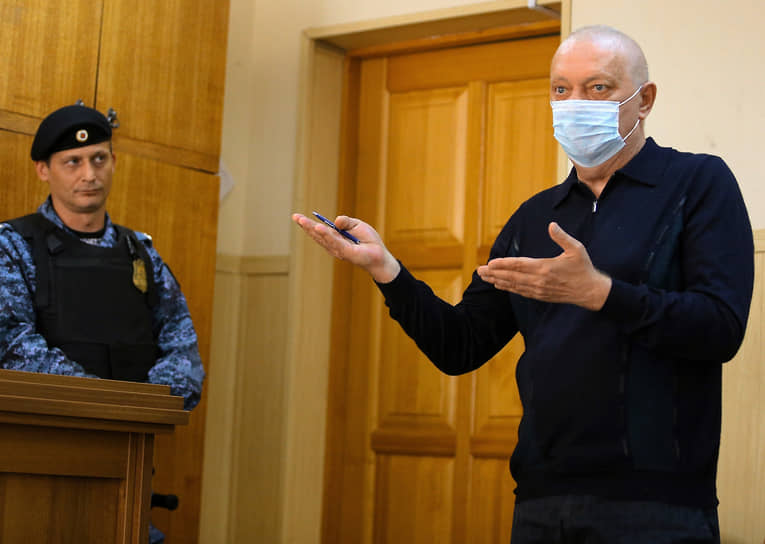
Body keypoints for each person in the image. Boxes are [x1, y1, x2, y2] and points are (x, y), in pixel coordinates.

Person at [293, 25, 753, 543]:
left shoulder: (698, 183)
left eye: (598, 88)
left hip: (658, 505)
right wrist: (387, 270)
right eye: (561, 89)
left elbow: (720, 328)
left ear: (643, 100)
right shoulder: (535, 217)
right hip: (541, 500)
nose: (575, 103)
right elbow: (460, 345)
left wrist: (599, 292)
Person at [0, 103, 204, 543]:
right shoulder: (12, 245)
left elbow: (182, 350)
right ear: (43, 170)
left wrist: (146, 406)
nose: (89, 174)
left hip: (130, 466)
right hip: (40, 469)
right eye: (72, 162)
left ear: (113, 161)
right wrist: (108, 407)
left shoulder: (141, 253)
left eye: (99, 158)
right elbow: (8, 350)